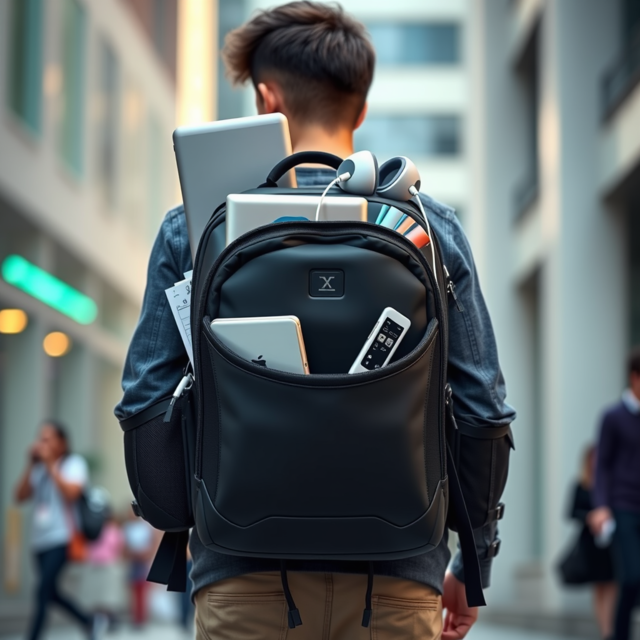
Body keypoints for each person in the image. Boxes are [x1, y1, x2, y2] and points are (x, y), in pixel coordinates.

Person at [115, 3, 515, 638]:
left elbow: (146, 397)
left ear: (267, 98)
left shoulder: (194, 226)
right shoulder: (429, 228)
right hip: (397, 576)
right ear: (360, 108)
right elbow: (482, 408)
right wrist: (475, 561)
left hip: (242, 575)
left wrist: (179, 519)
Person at [14, 421, 103, 640]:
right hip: (39, 541)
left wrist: (51, 465)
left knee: (42, 591)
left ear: (62, 442)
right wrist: (30, 464)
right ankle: (88, 621)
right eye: (40, 438)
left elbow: (71, 493)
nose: (42, 443)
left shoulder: (74, 463)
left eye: (47, 438)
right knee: (49, 591)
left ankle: (33, 636)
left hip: (62, 538)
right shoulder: (38, 468)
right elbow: (20, 496)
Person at [589, 347, 640, 640]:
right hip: (623, 507)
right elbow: (602, 466)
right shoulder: (613, 417)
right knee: (632, 577)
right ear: (635, 378)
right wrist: (601, 505)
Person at [558, 445, 615, 639]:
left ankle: (612, 627)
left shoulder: (611, 485)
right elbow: (571, 512)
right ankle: (606, 631)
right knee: (599, 586)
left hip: (611, 542)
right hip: (590, 543)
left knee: (613, 584)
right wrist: (589, 517)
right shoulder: (581, 485)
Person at [122, 511, 156, 628]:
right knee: (133, 591)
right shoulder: (127, 527)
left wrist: (144, 555)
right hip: (132, 562)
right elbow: (124, 547)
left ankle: (142, 618)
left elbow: (151, 545)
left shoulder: (145, 527)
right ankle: (135, 617)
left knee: (143, 591)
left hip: (143, 562)